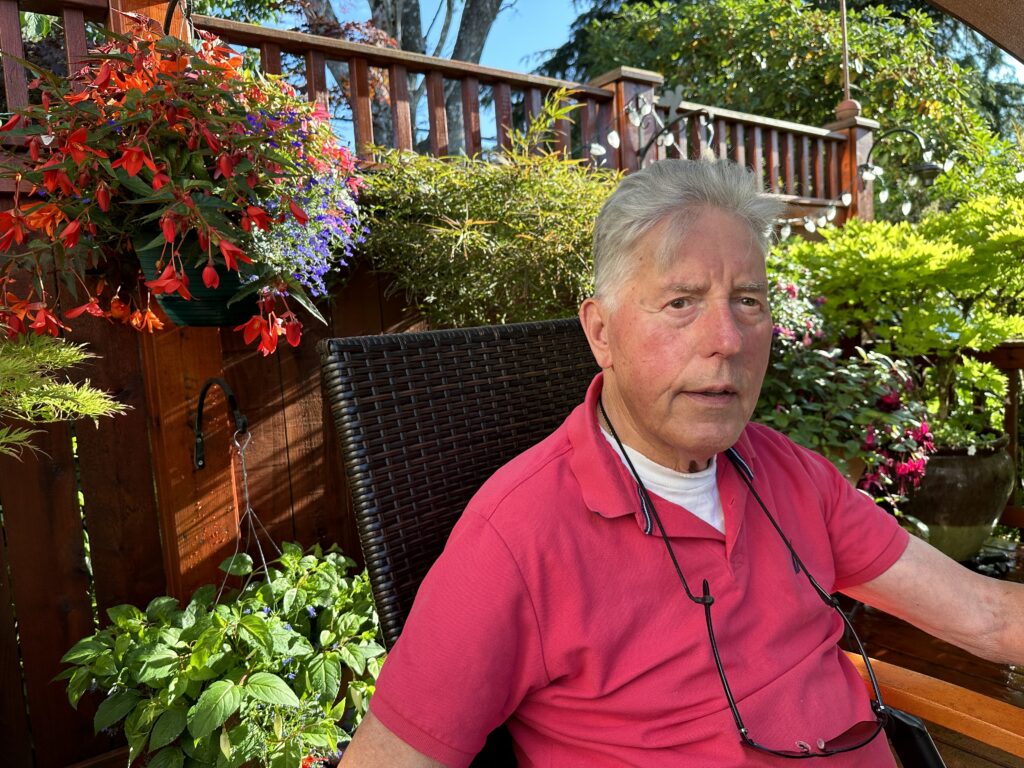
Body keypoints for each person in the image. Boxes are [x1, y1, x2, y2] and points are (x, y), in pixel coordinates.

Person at [340, 159, 1024, 767]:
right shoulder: (515, 536)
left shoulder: (793, 475)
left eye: (748, 302)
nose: (726, 340)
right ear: (601, 332)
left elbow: (989, 617)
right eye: (681, 302)